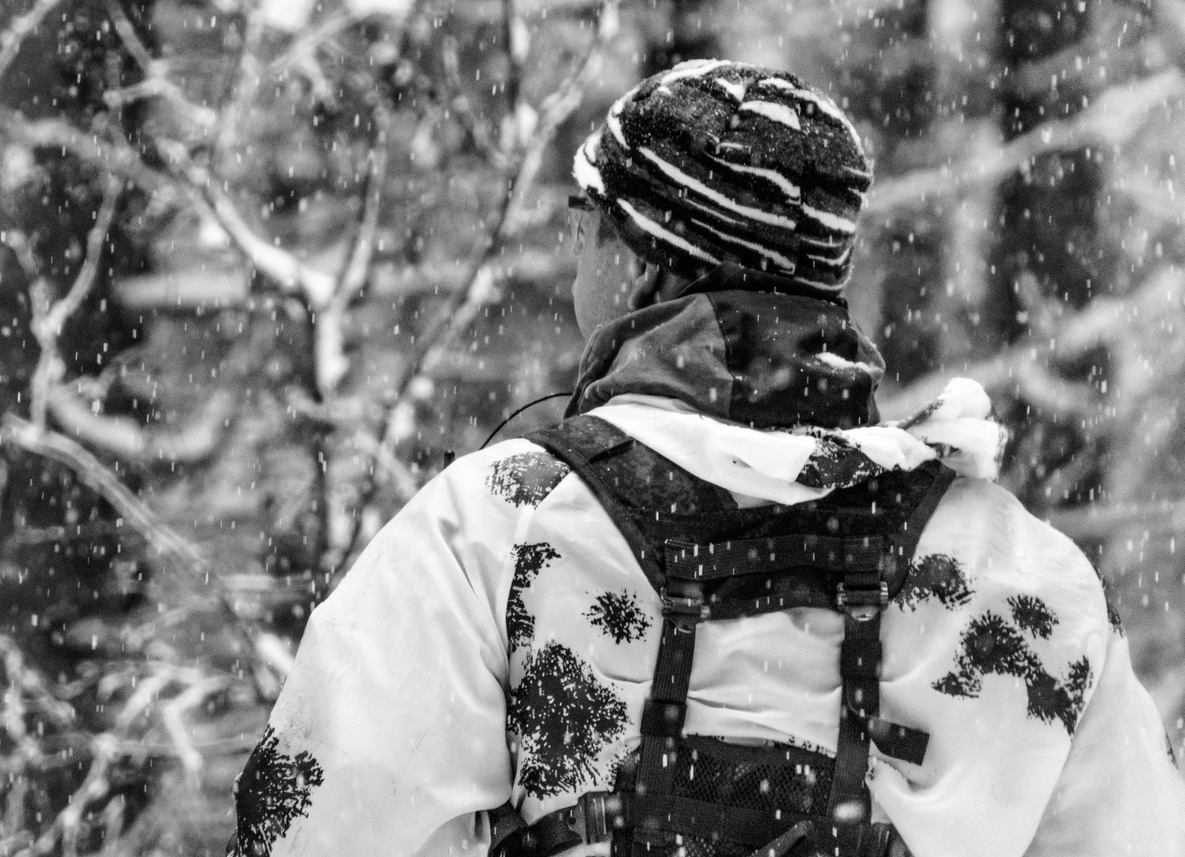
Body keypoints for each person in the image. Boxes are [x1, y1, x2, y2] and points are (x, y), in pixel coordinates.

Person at [224, 59, 1185, 857]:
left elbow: (309, 826)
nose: (570, 256)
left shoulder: (498, 529)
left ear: (647, 261)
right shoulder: (1025, 581)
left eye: (585, 223)